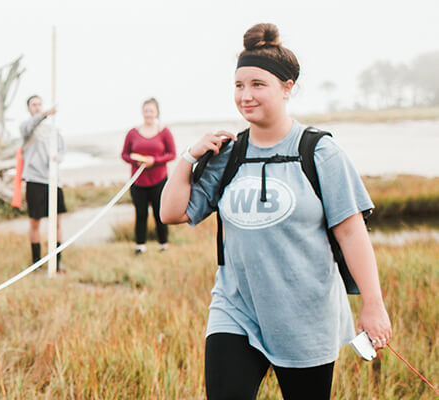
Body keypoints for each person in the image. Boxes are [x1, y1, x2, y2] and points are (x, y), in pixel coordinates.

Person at [160, 23, 391, 399]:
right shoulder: (229, 153)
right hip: (236, 309)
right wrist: (188, 157)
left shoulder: (319, 152)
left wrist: (373, 305)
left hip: (305, 318)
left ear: (287, 87)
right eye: (239, 85)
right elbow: (172, 213)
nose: (245, 96)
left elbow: (351, 234)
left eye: (257, 84)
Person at [121, 98, 176, 254]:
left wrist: (155, 161)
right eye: (146, 110)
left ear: (157, 112)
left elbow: (172, 154)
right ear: (142, 112)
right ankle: (140, 245)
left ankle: (163, 243)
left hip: (159, 180)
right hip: (138, 181)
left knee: (160, 213)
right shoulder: (133, 132)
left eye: (151, 110)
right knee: (141, 214)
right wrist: (135, 160)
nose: (148, 114)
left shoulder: (164, 131)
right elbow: (124, 154)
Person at [20, 95, 66, 271]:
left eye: (40, 104)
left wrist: (57, 158)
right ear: (28, 108)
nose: (37, 107)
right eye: (34, 105)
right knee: (35, 222)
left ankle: (57, 261)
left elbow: (62, 151)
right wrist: (45, 114)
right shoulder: (25, 127)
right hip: (34, 179)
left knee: (57, 223)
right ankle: (36, 262)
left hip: (53, 180)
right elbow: (31, 126)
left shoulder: (53, 130)